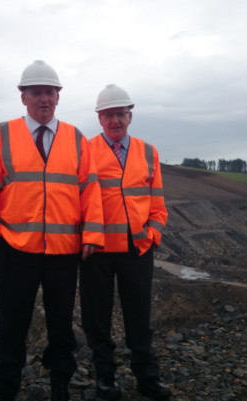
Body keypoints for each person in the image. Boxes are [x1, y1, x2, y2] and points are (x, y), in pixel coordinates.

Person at [0, 60, 104, 401]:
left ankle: (60, 384)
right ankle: (3, 388)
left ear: (58, 96)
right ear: (23, 97)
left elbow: (89, 189)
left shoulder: (76, 138)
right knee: (12, 323)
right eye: (36, 92)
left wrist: (91, 234)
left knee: (61, 325)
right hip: (15, 249)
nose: (43, 99)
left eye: (49, 92)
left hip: (63, 250)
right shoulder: (2, 134)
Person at [79, 84, 171, 400]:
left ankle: (148, 380)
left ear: (130, 116)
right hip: (97, 252)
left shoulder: (148, 152)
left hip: (137, 250)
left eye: (120, 114)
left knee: (139, 320)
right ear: (99, 118)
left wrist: (153, 234)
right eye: (108, 115)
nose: (115, 121)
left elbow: (157, 203)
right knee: (97, 320)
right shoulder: (85, 150)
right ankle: (106, 381)